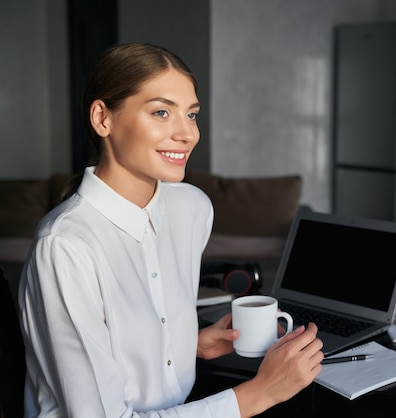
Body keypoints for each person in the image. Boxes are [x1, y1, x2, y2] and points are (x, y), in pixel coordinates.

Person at [18, 42, 324, 417]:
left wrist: (188, 344)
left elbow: (131, 329)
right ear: (102, 119)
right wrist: (259, 394)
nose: (187, 134)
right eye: (161, 112)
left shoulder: (191, 209)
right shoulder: (65, 246)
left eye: (192, 114)